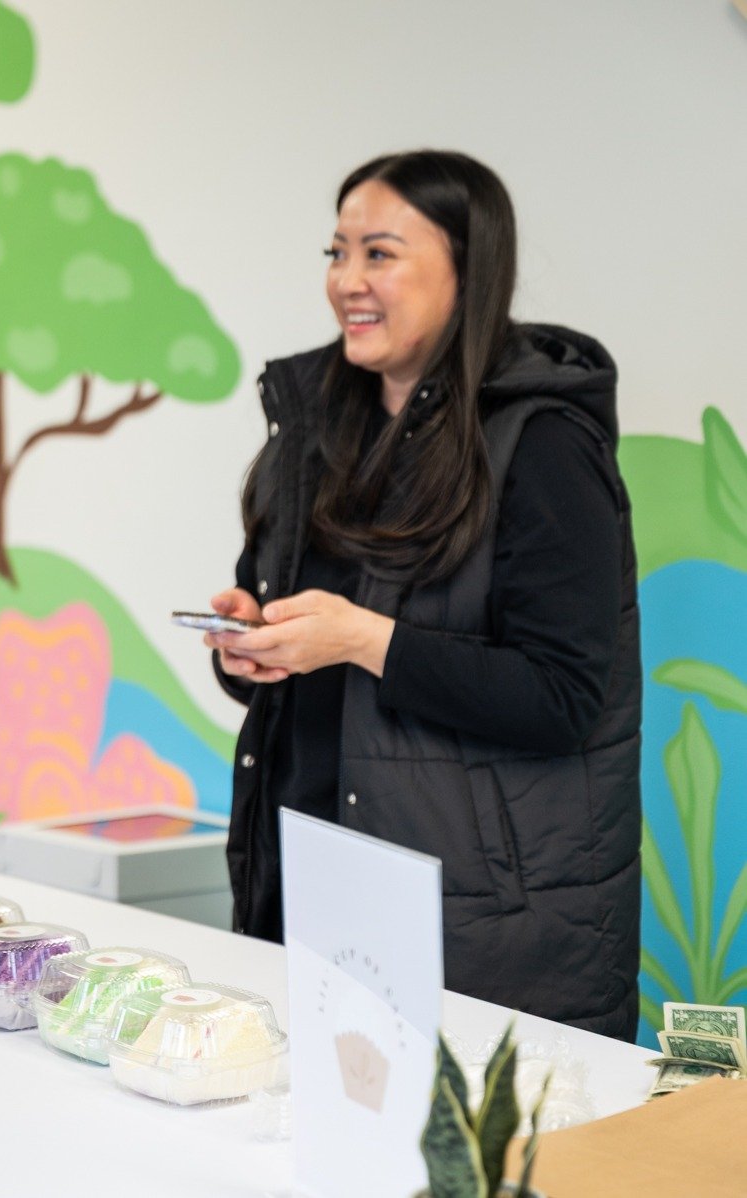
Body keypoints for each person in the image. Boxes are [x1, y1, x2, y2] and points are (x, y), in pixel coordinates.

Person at [206, 150, 641, 1042]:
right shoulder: (317, 432)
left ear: (467, 269)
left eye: (379, 254)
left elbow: (562, 699)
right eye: (336, 253)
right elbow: (315, 663)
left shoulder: (545, 446)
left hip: (484, 938)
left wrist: (365, 639)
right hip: (313, 887)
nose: (346, 282)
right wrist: (255, 649)